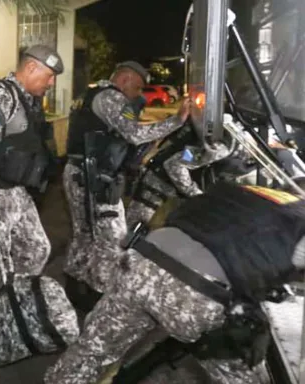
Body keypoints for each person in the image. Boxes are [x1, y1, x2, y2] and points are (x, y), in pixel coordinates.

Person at [45, 182, 305, 383]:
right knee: (242, 371)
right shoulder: (298, 220)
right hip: (195, 296)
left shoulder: (248, 192)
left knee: (92, 351)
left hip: (140, 264)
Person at [62, 61, 190, 305]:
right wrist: (177, 120)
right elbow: (134, 133)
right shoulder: (111, 97)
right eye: (138, 87)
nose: (139, 94)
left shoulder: (90, 94)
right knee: (113, 239)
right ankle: (100, 296)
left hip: (78, 172)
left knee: (84, 234)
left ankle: (74, 288)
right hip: (94, 178)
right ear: (125, 79)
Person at [0, 45, 62, 314]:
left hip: (16, 191)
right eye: (49, 75)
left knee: (37, 249)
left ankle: (11, 306)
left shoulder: (28, 99)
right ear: (31, 68)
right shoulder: (0, 98)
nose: (51, 83)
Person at [127, 127, 230, 229]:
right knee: (130, 228)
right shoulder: (217, 149)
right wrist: (195, 193)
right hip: (158, 187)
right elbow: (174, 164)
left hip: (172, 194)